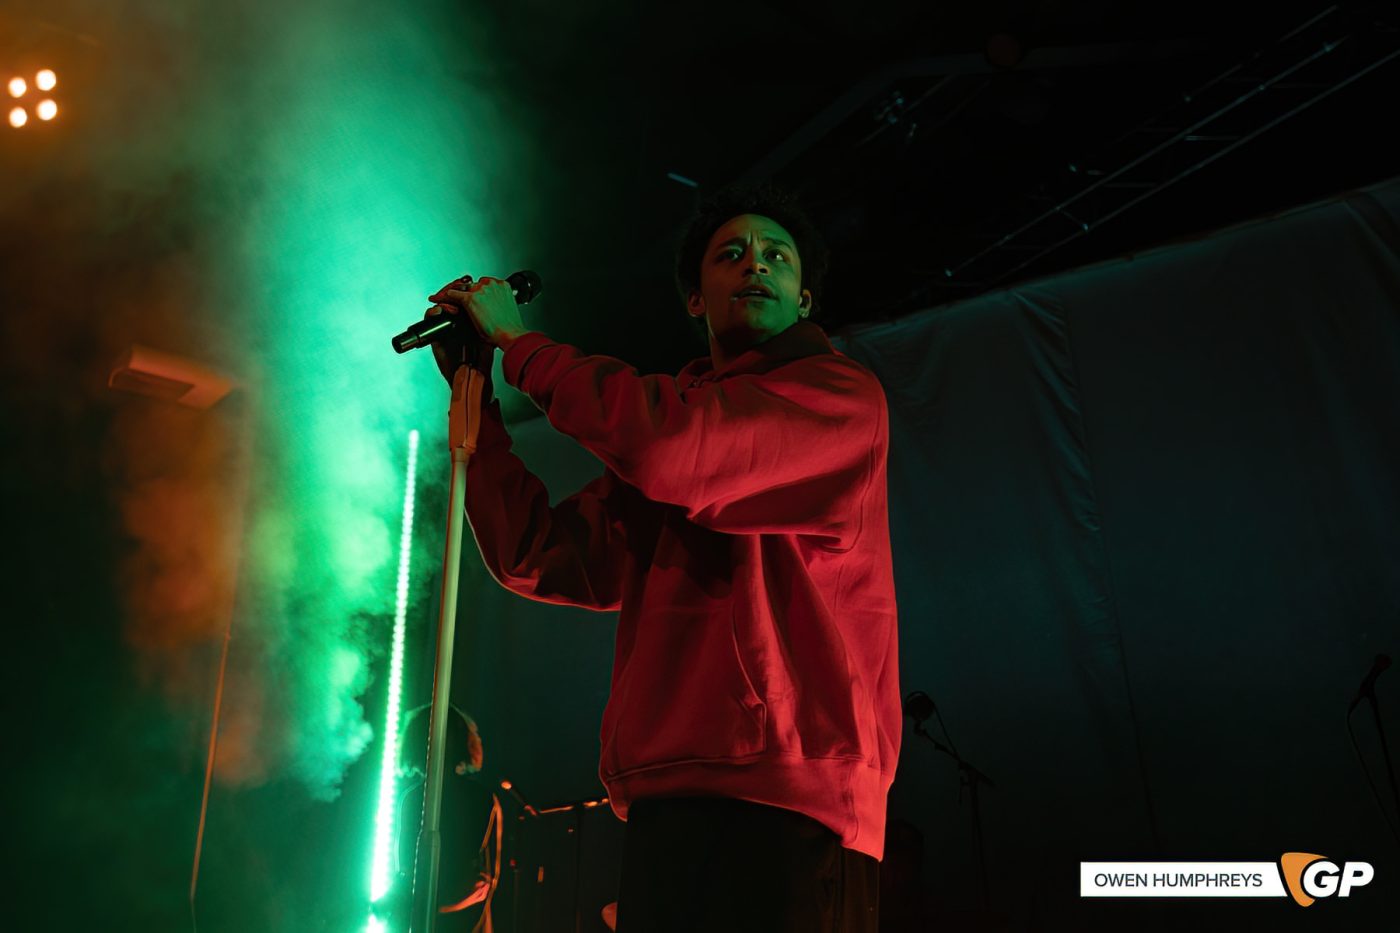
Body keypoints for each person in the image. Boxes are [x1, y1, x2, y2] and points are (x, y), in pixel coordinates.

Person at [425, 186, 900, 932]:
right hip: (666, 802)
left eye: (777, 255)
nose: (755, 265)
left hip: (789, 809)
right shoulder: (679, 421)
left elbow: (673, 447)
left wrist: (522, 347)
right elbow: (535, 553)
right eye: (731, 253)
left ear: (805, 299)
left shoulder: (838, 398)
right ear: (693, 300)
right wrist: (474, 393)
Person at [389, 704, 502, 933]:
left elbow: (481, 884)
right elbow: (406, 871)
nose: (434, 744)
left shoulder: (479, 799)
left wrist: (428, 906)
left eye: (441, 737)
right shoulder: (412, 799)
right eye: (427, 737)